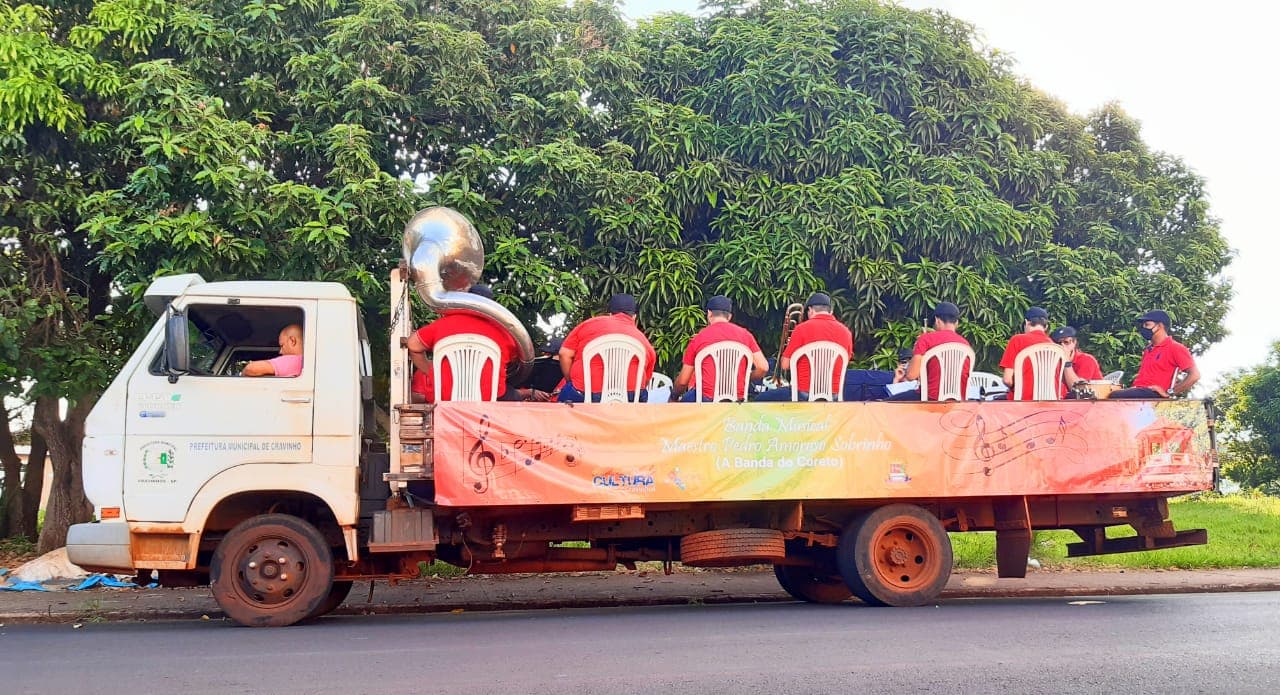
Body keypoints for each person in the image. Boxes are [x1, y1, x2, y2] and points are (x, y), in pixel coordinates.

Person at [405, 285, 521, 401]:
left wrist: (430, 371)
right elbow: (517, 361)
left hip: (445, 397)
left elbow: (412, 345)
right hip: (490, 398)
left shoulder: (443, 324)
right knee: (514, 396)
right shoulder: (503, 331)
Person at [558, 293, 656, 403]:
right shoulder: (643, 341)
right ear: (634, 317)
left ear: (610, 314)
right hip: (630, 398)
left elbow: (564, 354)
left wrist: (571, 382)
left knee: (563, 400)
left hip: (584, 394)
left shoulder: (589, 324)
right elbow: (645, 381)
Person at [755, 293, 854, 401]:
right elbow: (845, 362)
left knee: (760, 399)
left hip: (802, 394)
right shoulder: (846, 332)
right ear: (831, 311)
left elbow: (784, 365)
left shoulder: (801, 329)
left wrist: (791, 347)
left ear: (810, 310)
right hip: (834, 395)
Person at [671, 296, 768, 402]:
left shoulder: (699, 338)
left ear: (709, 314)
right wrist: (745, 378)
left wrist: (673, 397)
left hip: (705, 400)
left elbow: (683, 382)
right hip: (737, 401)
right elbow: (763, 368)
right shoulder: (746, 335)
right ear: (729, 316)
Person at [889, 302, 971, 401]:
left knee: (884, 404)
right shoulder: (966, 344)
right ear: (957, 322)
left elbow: (911, 376)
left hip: (928, 399)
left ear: (937, 320)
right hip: (958, 401)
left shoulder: (926, 339)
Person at [1109, 310, 1200, 399]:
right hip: (1141, 392)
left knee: (1114, 395)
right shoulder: (1148, 349)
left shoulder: (1175, 347)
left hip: (1153, 393)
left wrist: (1170, 392)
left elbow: (1195, 375)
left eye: (1147, 324)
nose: (1143, 328)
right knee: (1108, 393)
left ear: (1159, 326)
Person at [999, 307, 1055, 400]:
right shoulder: (1054, 347)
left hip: (1021, 401)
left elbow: (1007, 380)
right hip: (1050, 402)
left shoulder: (1017, 340)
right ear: (1046, 327)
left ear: (1026, 322)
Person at [1052, 326, 1104, 398]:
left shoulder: (1086, 360)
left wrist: (1066, 363)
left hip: (1094, 400)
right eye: (1058, 343)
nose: (1062, 346)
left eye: (1066, 342)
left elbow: (1078, 390)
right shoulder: (1054, 361)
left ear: (1074, 342)